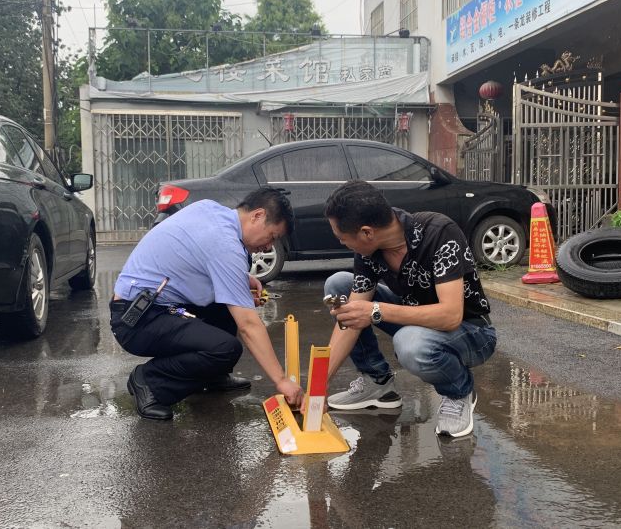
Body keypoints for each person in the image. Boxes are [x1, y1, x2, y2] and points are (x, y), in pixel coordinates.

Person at [319, 180, 496, 437]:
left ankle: (459, 392)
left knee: (410, 344)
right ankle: (377, 382)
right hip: (418, 319)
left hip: (471, 332)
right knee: (339, 286)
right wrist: (318, 385)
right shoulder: (369, 252)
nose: (344, 244)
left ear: (367, 232)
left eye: (343, 239)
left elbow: (450, 316)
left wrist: (376, 310)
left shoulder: (438, 232)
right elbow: (351, 319)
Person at [110, 187, 303, 420]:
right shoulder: (225, 243)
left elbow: (193, 259)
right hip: (136, 319)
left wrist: (240, 281)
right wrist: (281, 381)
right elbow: (248, 325)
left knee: (226, 305)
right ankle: (150, 381)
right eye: (272, 236)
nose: (267, 247)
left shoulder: (211, 210)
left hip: (151, 304)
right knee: (225, 349)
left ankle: (212, 376)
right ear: (258, 216)